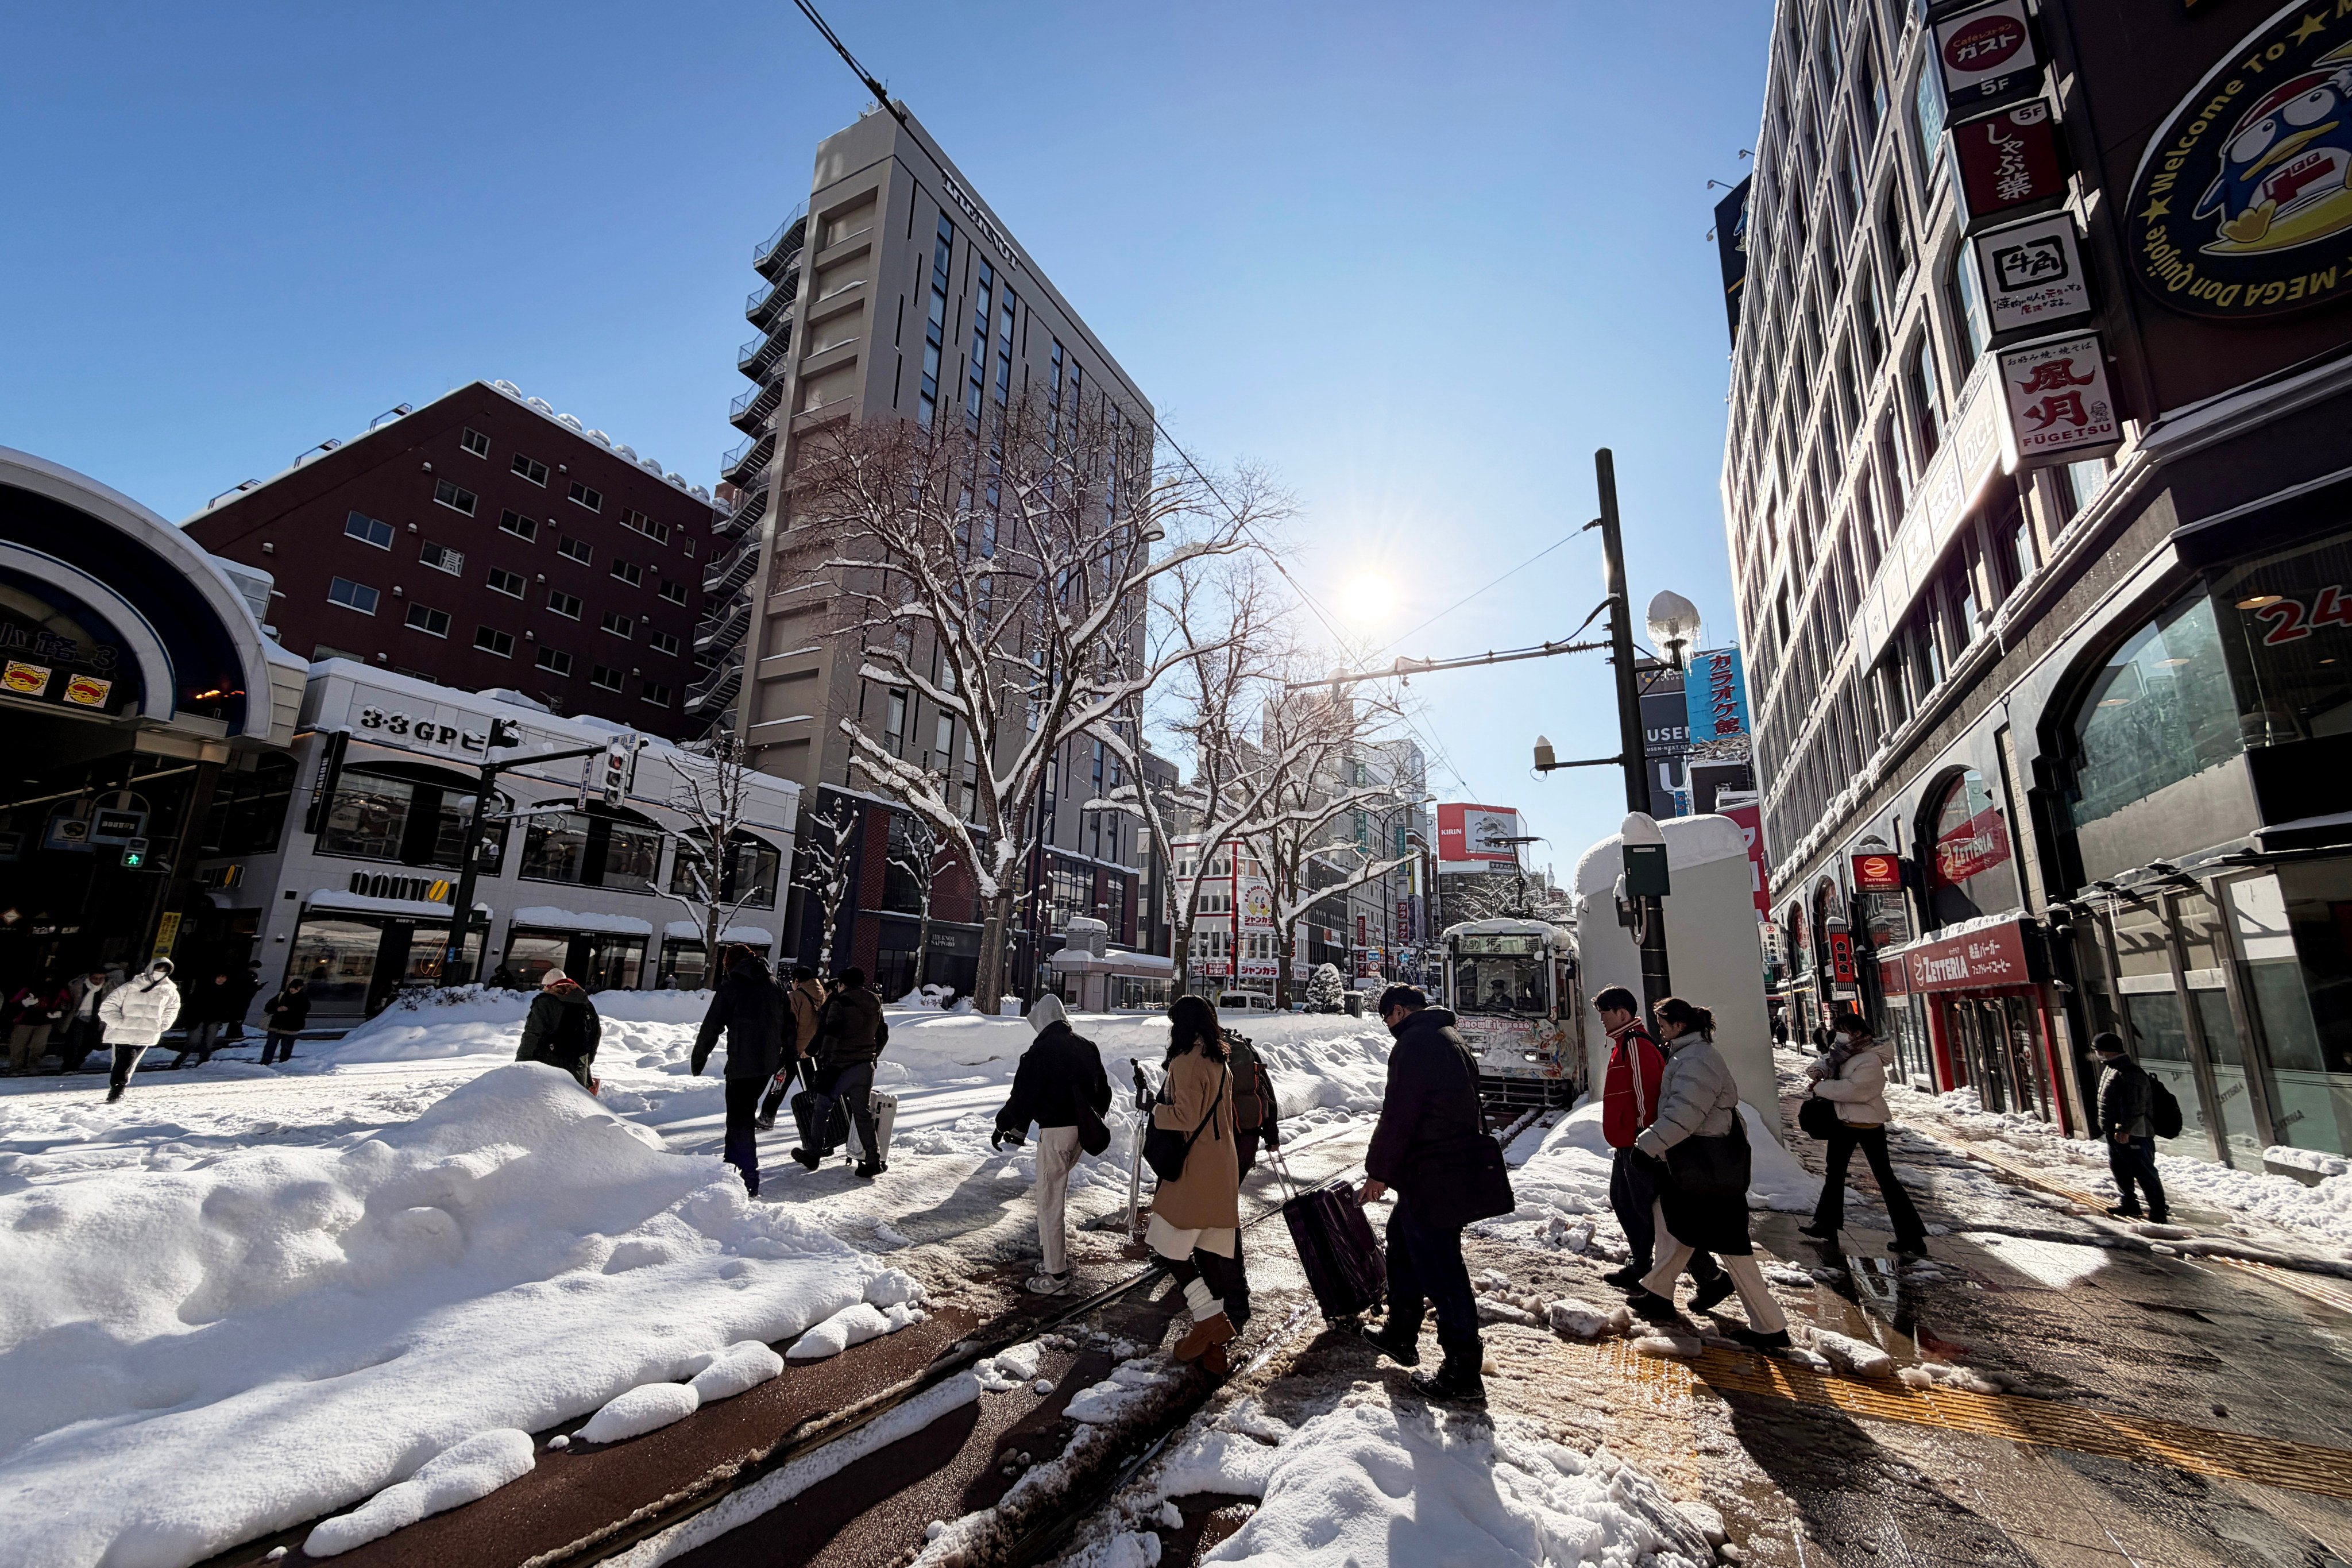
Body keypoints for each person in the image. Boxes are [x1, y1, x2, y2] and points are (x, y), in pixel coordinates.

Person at [1629, 997, 1791, 1351]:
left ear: (1679, 1026)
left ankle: (1770, 1325)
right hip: (1700, 1165)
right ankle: (1659, 1289)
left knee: (1730, 1246)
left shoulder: (1695, 1060)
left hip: (1705, 1165)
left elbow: (1685, 1114)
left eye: (1663, 1023)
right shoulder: (1692, 1055)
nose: (1660, 1030)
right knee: (1676, 1222)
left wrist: (1648, 1147)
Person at [1358, 984, 1491, 1404]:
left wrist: (1378, 1172)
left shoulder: (1414, 1043)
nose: (1389, 1028)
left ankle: (1462, 1370)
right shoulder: (1448, 1037)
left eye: (1387, 1019)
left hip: (1432, 1172)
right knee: (1401, 1245)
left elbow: (1398, 1113)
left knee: (1442, 1268)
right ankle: (1401, 1333)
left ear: (1397, 1011)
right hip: (1443, 1170)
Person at [1594, 985, 1728, 1300]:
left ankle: (1701, 1275)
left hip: (1640, 1144)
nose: (1601, 1020)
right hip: (1629, 1142)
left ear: (1621, 1013)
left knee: (1655, 1214)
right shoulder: (1624, 1043)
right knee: (1628, 1202)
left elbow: (1646, 1096)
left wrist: (1644, 1137)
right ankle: (1645, 1264)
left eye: (1604, 1014)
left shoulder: (1636, 1045)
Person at [1147, 994, 1242, 1368]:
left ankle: (1209, 1322)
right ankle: (1214, 1349)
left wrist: (1154, 1110)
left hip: (1195, 1167)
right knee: (1208, 1250)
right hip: (1221, 1164)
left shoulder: (1186, 1062)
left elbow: (1184, 1117)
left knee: (1168, 1245)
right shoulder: (1220, 1058)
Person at [993, 993, 1111, 1295]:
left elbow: (1023, 1096)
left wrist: (1002, 1124)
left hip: (1056, 1133)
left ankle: (1056, 1275)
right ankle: (1050, 1262)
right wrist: (1088, 1120)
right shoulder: (1087, 1046)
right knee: (1052, 1194)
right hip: (1080, 1135)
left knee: (1049, 1201)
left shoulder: (1042, 1050)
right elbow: (1104, 1093)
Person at [1799, 1010, 1928, 1256]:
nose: (1839, 1035)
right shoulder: (1844, 1053)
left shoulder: (1869, 1058)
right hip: (1844, 1122)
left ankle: (1912, 1236)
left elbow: (1857, 1091)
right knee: (1834, 1175)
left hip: (1868, 1125)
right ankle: (1826, 1225)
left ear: (1858, 1033)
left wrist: (1822, 1087)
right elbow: (1825, 1061)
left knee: (1885, 1179)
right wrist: (1818, 1072)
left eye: (1843, 1031)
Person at [693, 944, 790, 1197]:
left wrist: (699, 1058)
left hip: (742, 1062)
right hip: (767, 1064)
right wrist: (784, 1055)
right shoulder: (775, 985)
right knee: (740, 1118)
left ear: (730, 963)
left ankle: (747, 1177)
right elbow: (790, 1023)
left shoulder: (733, 985)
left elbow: (712, 1025)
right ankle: (732, 1170)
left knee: (740, 1121)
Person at [796, 967, 888, 1177]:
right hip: (864, 1067)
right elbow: (883, 1034)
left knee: (822, 1110)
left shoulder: (840, 1002)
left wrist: (819, 1058)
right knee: (862, 1114)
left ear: (842, 984)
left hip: (840, 1066)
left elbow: (830, 1034)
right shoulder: (875, 1002)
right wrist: (872, 1056)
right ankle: (873, 1161)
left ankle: (813, 1154)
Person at [2094, 1032, 2170, 1223]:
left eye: (2098, 1051)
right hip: (2116, 1131)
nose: (2097, 1055)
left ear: (2107, 1051)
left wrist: (2125, 1129)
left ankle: (2158, 1210)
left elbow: (2134, 1105)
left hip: (2134, 1133)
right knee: (2120, 1169)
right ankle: (2129, 1203)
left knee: (2144, 1171)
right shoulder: (2112, 1068)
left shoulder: (2130, 1073)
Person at [99, 960, 181, 1103]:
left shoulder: (170, 991)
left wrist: (163, 1024)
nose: (160, 973)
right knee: (125, 1060)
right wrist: (118, 1022)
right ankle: (117, 1090)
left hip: (147, 1032)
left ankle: (118, 1090)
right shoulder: (131, 987)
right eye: (158, 968)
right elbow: (108, 1006)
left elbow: (172, 1009)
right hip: (124, 1033)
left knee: (129, 1063)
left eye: (164, 970)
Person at [758, 965, 826, 1131]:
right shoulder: (823, 995)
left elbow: (788, 1024)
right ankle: (818, 1122)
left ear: (797, 981)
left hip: (793, 1050)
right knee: (812, 1089)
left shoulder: (795, 997)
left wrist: (783, 1046)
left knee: (779, 1085)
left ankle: (767, 1117)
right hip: (812, 1051)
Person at [516, 968, 601, 1090]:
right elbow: (595, 1033)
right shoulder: (584, 1003)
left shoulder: (545, 1003)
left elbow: (532, 1034)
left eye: (545, 986)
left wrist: (521, 1062)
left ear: (549, 986)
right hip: (578, 1064)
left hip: (548, 1064)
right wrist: (587, 1060)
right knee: (574, 1102)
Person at [171, 970, 241, 1068]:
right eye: (219, 977)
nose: (221, 980)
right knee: (194, 1041)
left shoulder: (227, 991)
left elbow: (229, 1007)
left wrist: (226, 1016)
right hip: (197, 1019)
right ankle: (180, 1059)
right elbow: (191, 1005)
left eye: (224, 977)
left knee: (208, 1043)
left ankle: (202, 1062)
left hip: (214, 1019)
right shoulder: (203, 988)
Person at [6, 974, 70, 1075]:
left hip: (45, 1022)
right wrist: (24, 1004)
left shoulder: (58, 990)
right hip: (25, 1021)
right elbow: (13, 1002)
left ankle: (33, 1066)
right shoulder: (27, 989)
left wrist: (60, 1012)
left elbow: (67, 1002)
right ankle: (15, 1068)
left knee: (38, 1047)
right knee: (18, 1046)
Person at [61, 970, 110, 1073]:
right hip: (78, 1017)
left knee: (89, 1043)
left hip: (95, 1019)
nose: (98, 981)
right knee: (74, 1042)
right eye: (96, 978)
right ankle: (69, 1066)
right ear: (90, 977)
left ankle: (77, 1063)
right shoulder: (79, 986)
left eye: (101, 978)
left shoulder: (108, 989)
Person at [258, 978, 312, 1066]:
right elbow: (268, 1007)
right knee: (271, 1046)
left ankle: (283, 1063)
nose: (293, 990)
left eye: (296, 988)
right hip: (276, 1026)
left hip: (290, 1027)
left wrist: (289, 1009)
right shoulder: (282, 995)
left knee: (286, 1047)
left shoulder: (304, 999)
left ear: (301, 988)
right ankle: (266, 1062)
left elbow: (303, 1011)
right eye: (292, 987)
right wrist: (277, 1009)